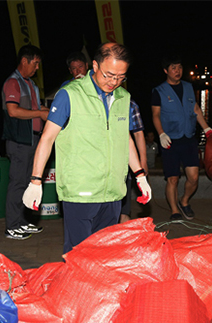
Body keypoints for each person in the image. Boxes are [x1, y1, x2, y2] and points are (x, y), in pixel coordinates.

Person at [22, 42, 151, 254]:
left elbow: (124, 139)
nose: (114, 82)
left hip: (113, 192)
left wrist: (139, 175)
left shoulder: (123, 98)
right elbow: (47, 138)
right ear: (95, 65)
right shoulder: (70, 95)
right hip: (80, 192)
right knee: (78, 255)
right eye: (109, 75)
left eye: (121, 77)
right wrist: (35, 181)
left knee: (104, 255)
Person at [151, 54, 212, 220]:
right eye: (173, 68)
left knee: (194, 178)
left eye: (179, 67)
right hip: (170, 140)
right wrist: (161, 134)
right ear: (166, 70)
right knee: (172, 179)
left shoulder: (188, 87)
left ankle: (184, 201)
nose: (177, 71)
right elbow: (155, 115)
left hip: (188, 139)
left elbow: (195, 109)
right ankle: (175, 211)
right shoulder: (159, 91)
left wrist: (206, 128)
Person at [2, 45, 49, 240]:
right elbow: (13, 111)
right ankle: (12, 226)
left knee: (29, 183)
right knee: (18, 183)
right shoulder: (13, 82)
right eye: (35, 63)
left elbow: (36, 108)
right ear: (24, 61)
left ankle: (21, 221)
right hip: (19, 141)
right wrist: (40, 113)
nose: (37, 67)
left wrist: (47, 111)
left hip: (33, 140)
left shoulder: (30, 84)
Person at [120, 99, 147, 223]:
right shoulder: (71, 92)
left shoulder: (128, 103)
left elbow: (136, 134)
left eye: (119, 78)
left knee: (123, 212)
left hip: (122, 163)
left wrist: (142, 163)